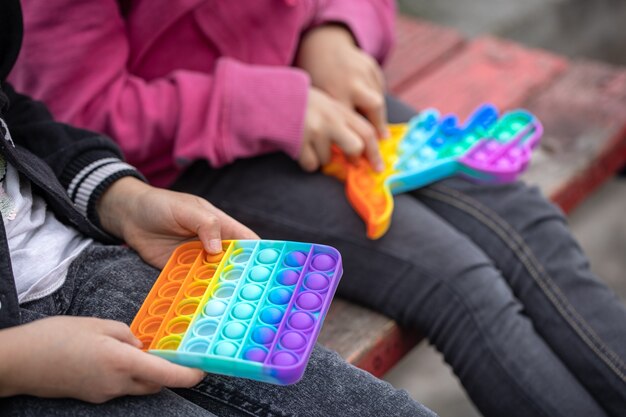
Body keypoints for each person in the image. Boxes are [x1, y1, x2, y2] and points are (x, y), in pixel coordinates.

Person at [10, 0, 626, 416]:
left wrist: (335, 29)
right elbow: (71, 105)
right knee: (464, 283)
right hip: (195, 161)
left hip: (321, 92)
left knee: (530, 230)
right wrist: (263, 106)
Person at [0, 3, 439, 416]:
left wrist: (120, 198)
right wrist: (17, 362)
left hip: (71, 247)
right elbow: (84, 98)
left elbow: (12, 108)